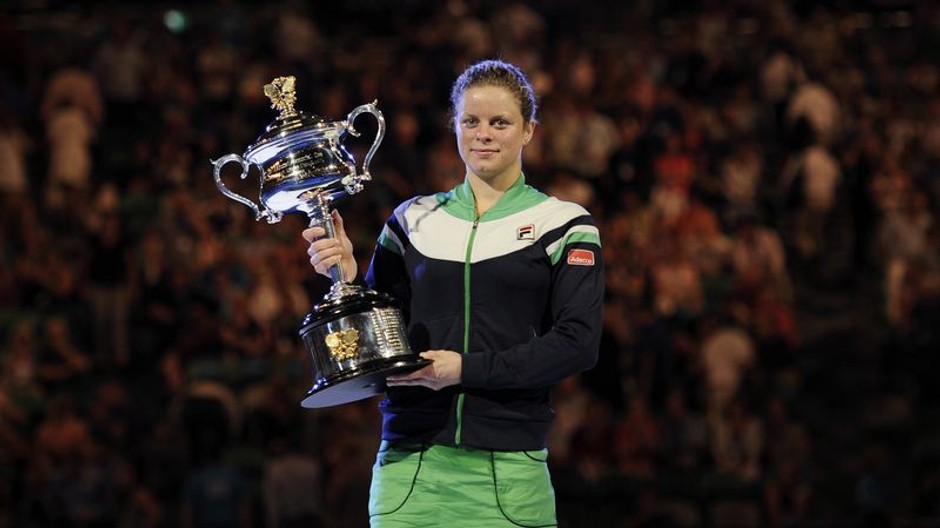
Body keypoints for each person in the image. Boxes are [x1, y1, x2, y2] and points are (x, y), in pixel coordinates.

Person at [302, 59, 605, 527]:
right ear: (456, 127)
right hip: (410, 470)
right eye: (471, 121)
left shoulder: (563, 223)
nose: (484, 133)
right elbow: (376, 345)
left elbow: (577, 344)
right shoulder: (411, 219)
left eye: (500, 122)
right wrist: (348, 278)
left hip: (511, 472)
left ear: (528, 131)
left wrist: (464, 369)